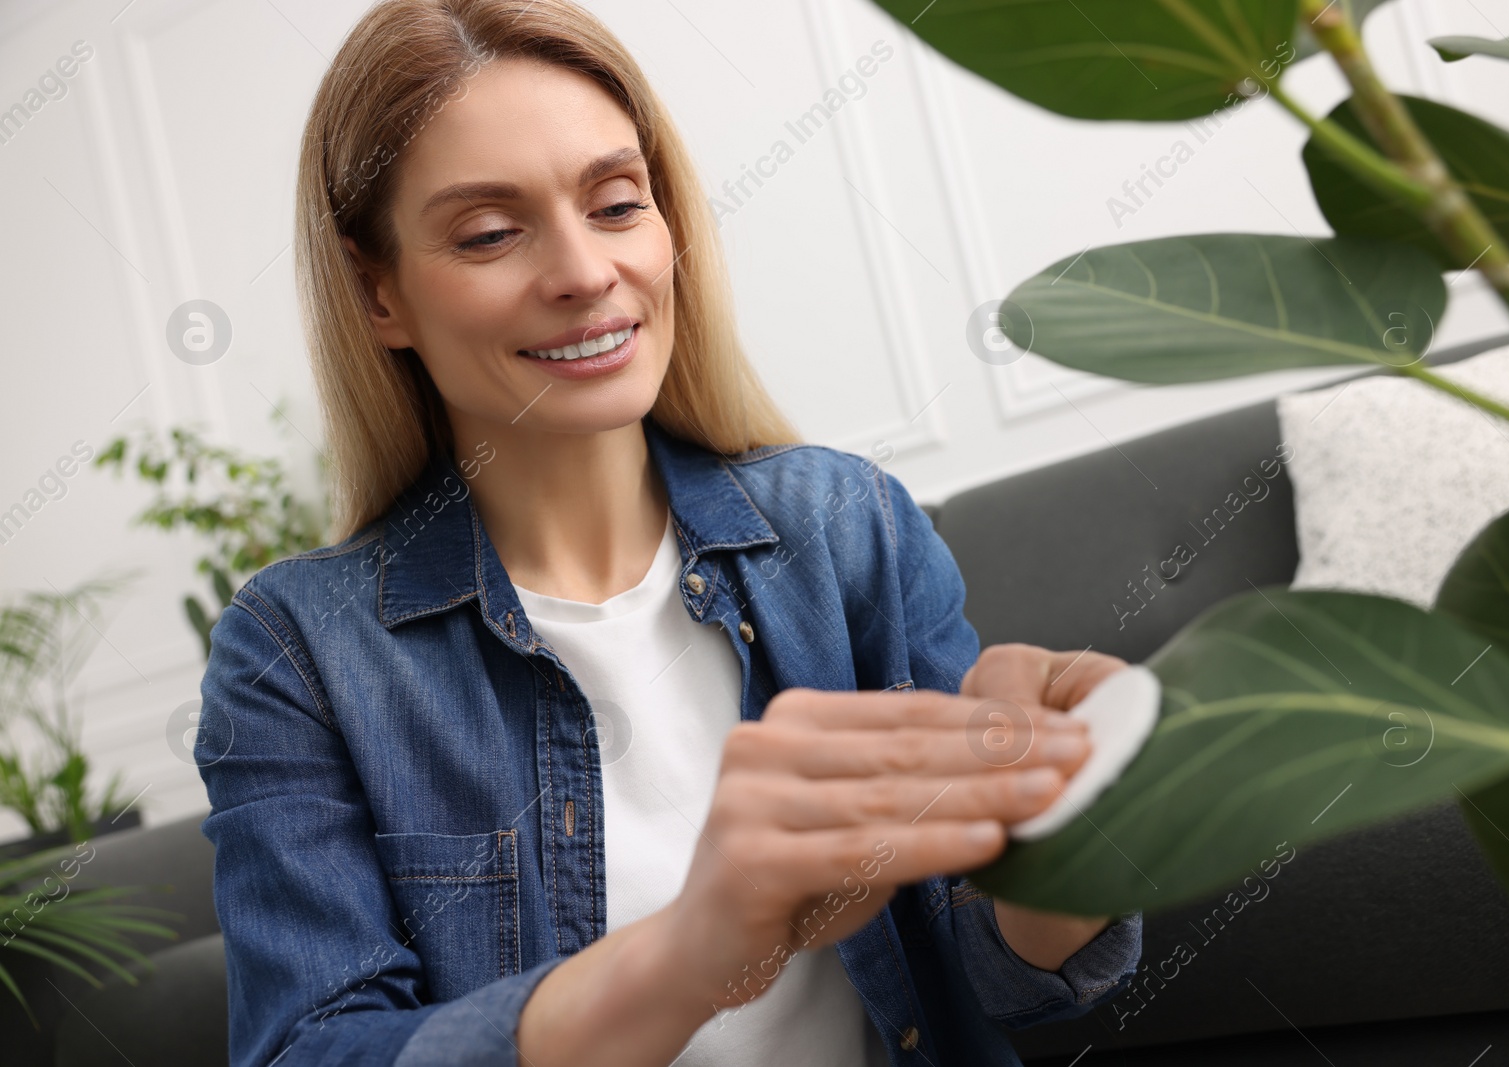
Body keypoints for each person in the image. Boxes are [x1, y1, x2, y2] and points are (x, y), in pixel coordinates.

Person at [194, 1, 1143, 1064]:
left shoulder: (848, 528)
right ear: (379, 293)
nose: (584, 272)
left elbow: (1005, 980)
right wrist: (694, 949)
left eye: (614, 203)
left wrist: (1073, 837)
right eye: (491, 233)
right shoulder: (300, 650)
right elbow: (309, 1048)